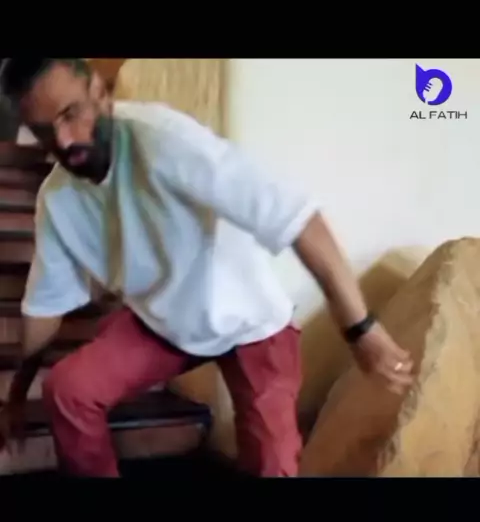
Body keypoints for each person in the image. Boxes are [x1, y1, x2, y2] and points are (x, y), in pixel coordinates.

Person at [0, 58, 414, 477]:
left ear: (99, 93)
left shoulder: (164, 141)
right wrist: (15, 396)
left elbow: (299, 220)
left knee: (273, 463)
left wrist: (360, 328)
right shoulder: (57, 200)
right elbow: (45, 307)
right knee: (69, 390)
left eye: (71, 114)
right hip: (163, 326)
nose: (65, 141)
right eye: (44, 131)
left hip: (251, 325)